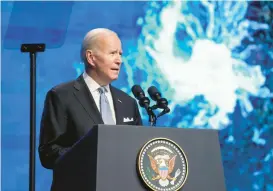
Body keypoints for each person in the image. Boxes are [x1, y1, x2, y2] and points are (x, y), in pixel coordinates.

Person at [38, 28, 143, 169]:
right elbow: (48, 153)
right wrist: (90, 156)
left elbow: (139, 152)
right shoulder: (61, 96)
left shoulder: (128, 103)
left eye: (120, 54)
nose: (119, 60)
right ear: (91, 58)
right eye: (112, 53)